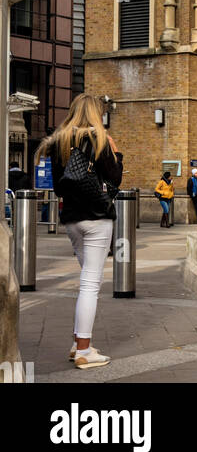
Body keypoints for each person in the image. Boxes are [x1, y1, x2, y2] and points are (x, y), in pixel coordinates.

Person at [35, 92, 123, 370]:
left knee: (88, 281)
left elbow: (60, 185)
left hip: (71, 219)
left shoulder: (60, 142)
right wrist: (116, 152)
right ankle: (84, 350)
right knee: (90, 284)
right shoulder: (100, 140)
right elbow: (115, 177)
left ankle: (78, 344)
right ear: (96, 113)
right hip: (97, 217)